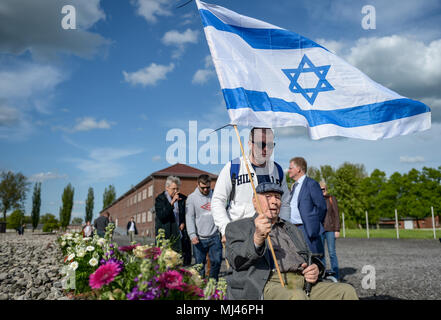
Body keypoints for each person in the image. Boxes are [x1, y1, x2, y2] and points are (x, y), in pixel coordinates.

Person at [225, 182, 358, 300]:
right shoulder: (238, 227)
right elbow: (236, 260)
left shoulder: (291, 228)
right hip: (269, 283)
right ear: (255, 202)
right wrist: (257, 238)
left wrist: (316, 269)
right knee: (296, 296)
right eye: (268, 197)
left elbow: (309, 257)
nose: (274, 201)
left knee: (345, 291)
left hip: (305, 283)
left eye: (277, 197)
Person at [211, 127, 291, 243]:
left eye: (270, 145)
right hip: (242, 235)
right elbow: (218, 200)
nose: (266, 149)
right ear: (250, 144)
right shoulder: (234, 166)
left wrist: (283, 228)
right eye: (261, 144)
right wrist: (225, 229)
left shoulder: (277, 170)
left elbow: (285, 202)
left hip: (273, 235)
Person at [282, 157, 327, 256]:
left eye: (290, 168)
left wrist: (314, 224)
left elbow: (322, 207)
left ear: (298, 169)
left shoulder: (311, 184)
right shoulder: (294, 186)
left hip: (307, 229)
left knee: (313, 260)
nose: (288, 170)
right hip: (294, 228)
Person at [186, 174, 222, 280]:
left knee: (217, 261)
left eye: (208, 187)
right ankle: (200, 287)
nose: (206, 189)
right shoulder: (191, 198)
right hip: (199, 238)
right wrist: (192, 234)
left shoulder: (215, 195)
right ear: (197, 185)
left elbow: (222, 212)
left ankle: (212, 283)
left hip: (214, 236)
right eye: (203, 187)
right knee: (199, 265)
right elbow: (189, 217)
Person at [155, 176, 192, 265]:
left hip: (180, 234)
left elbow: (187, 214)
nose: (176, 191)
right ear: (167, 188)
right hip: (166, 235)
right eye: (173, 189)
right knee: (165, 263)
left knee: (181, 262)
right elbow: (162, 216)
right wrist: (172, 202)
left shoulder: (182, 198)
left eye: (177, 188)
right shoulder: (160, 199)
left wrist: (183, 222)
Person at [320, 181, 341, 281]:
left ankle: (335, 275)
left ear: (326, 189)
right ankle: (323, 274)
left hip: (331, 230)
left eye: (323, 189)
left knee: (332, 253)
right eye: (319, 189)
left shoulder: (332, 199)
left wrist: (337, 229)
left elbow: (336, 215)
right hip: (320, 230)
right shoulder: (316, 199)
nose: (321, 191)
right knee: (321, 253)